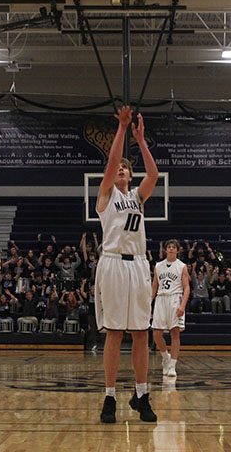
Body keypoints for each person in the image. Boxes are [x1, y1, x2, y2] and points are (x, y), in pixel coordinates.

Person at [95, 106, 158, 424]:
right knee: (115, 333)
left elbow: (154, 175)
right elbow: (110, 162)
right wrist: (121, 129)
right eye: (117, 167)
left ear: (130, 175)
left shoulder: (138, 196)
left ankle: (142, 395)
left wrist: (141, 140)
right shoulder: (106, 195)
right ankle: (109, 398)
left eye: (124, 168)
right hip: (113, 264)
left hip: (139, 267)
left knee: (141, 334)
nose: (120, 169)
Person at [150, 239, 190, 378]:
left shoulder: (182, 266)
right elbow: (154, 286)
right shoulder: (158, 266)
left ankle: (172, 365)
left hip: (175, 299)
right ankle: (165, 357)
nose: (171, 249)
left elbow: (187, 288)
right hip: (161, 298)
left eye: (174, 247)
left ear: (177, 250)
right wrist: (149, 302)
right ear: (165, 250)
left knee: (175, 333)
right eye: (169, 247)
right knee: (156, 333)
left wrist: (182, 306)